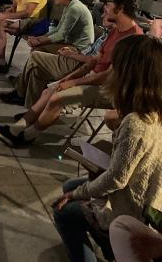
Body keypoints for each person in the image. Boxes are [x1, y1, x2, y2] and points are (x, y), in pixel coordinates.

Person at [52, 34, 162, 262]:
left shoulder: (136, 122)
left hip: (132, 209)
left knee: (64, 210)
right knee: (70, 184)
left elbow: (117, 179)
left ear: (128, 74)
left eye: (116, 66)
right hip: (146, 196)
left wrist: (76, 195)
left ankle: (104, 246)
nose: (111, 72)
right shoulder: (152, 111)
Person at [0, 0, 143, 147]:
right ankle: (14, 131)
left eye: (108, 5)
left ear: (120, 8)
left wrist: (74, 83)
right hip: (96, 77)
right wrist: (69, 78)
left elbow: (107, 77)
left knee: (57, 98)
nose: (104, 9)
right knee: (50, 90)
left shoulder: (134, 38)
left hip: (111, 90)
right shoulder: (116, 30)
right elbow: (94, 61)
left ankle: (26, 137)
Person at [0, 0, 94, 106]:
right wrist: (40, 38)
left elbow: (61, 35)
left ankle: (21, 90)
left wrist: (39, 40)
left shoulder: (74, 8)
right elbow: (58, 29)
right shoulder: (69, 5)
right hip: (70, 43)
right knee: (37, 50)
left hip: (77, 48)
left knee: (37, 52)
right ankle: (23, 87)